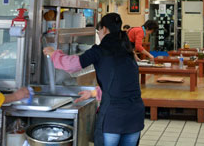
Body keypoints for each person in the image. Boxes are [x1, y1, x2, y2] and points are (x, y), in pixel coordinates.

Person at [43, 13, 144, 146]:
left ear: (104, 30)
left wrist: (53, 53)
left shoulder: (100, 50)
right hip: (135, 115)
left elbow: (72, 65)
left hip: (113, 117)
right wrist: (93, 93)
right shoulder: (127, 50)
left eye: (98, 31)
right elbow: (119, 85)